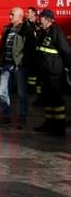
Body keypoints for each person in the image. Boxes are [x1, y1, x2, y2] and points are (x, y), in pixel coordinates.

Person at [33, 9, 70, 137]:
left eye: (41, 19)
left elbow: (66, 51)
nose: (39, 20)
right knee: (47, 100)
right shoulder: (43, 33)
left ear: (48, 20)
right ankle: (49, 124)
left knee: (57, 101)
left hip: (54, 73)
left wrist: (67, 67)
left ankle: (59, 128)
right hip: (44, 73)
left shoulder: (57, 32)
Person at [0, 7, 28, 128]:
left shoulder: (25, 29)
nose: (10, 16)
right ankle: (6, 115)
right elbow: (2, 47)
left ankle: (23, 116)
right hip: (6, 64)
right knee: (2, 90)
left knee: (21, 92)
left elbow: (28, 47)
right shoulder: (7, 29)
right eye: (10, 14)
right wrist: (0, 61)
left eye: (12, 14)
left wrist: (22, 61)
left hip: (18, 65)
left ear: (20, 16)